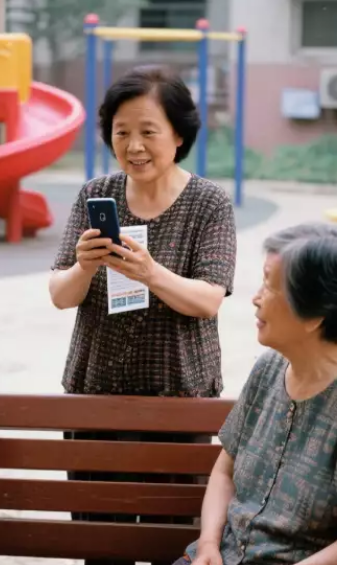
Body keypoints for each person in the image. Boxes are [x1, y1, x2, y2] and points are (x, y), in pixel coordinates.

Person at [48, 65, 236, 565]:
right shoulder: (96, 195)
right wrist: (85, 267)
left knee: (169, 542)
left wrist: (151, 273)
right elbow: (61, 295)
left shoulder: (208, 203)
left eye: (148, 132)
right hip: (96, 395)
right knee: (101, 543)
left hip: (180, 398)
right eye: (121, 132)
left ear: (179, 135)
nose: (134, 146)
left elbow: (209, 298)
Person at [175, 223, 337, 565]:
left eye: (270, 286)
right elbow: (224, 472)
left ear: (315, 315)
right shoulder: (269, 367)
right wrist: (208, 545)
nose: (256, 298)